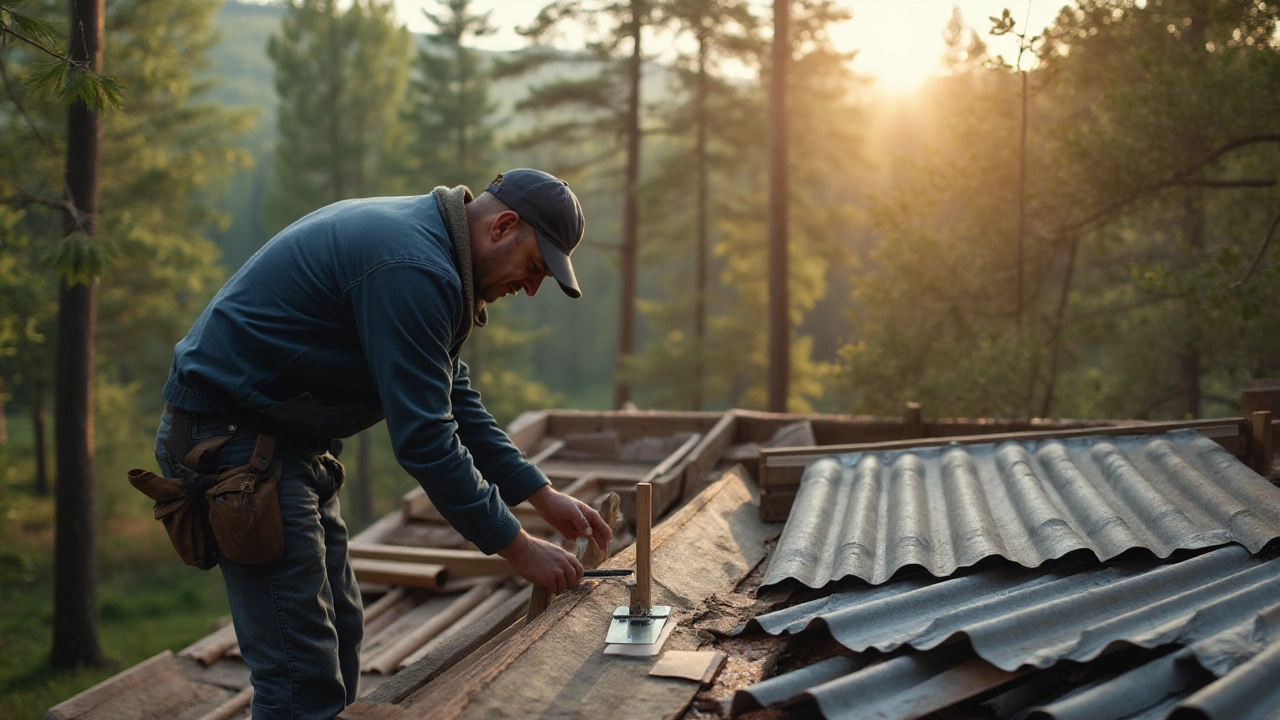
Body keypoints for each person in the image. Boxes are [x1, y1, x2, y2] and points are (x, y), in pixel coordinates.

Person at [154, 168, 612, 720]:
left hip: (286, 442)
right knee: (301, 674)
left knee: (341, 630)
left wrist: (540, 494)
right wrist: (519, 547)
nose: (531, 286)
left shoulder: (429, 248)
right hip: (230, 444)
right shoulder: (414, 268)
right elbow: (426, 442)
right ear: (504, 226)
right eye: (534, 266)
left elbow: (453, 397)